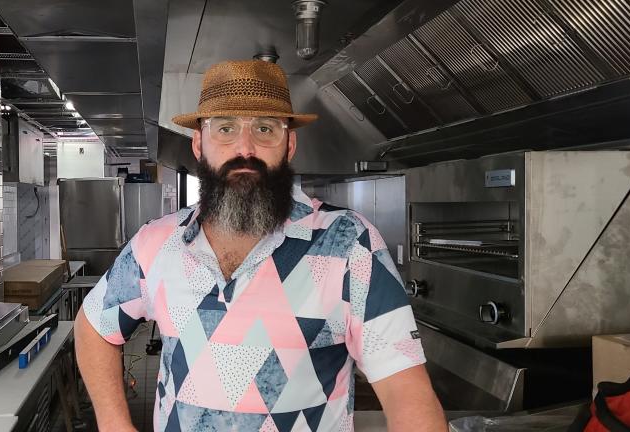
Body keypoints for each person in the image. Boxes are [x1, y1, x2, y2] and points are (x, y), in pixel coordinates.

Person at [76, 59, 446, 431]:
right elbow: (93, 326)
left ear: (289, 145)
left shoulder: (350, 245)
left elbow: (408, 396)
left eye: (265, 128)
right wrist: (114, 425)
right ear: (199, 144)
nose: (245, 148)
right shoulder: (156, 243)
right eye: (225, 128)